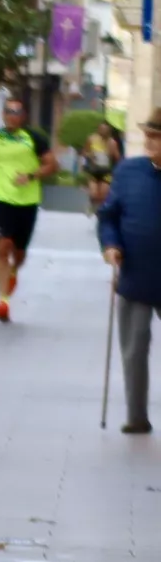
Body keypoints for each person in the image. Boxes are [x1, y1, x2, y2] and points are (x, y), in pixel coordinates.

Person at [98, 109, 161, 435]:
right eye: (148, 134)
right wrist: (111, 245)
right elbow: (108, 216)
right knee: (134, 350)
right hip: (135, 274)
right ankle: (137, 416)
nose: (149, 141)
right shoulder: (128, 171)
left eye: (156, 136)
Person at [0, 97, 56, 322]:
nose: (12, 115)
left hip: (28, 202)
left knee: (19, 253)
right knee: (3, 247)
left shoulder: (35, 138)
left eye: (17, 111)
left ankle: (13, 272)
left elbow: (52, 164)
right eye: (9, 111)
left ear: (23, 116)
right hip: (1, 199)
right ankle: (3, 301)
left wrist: (31, 175)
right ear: (3, 114)